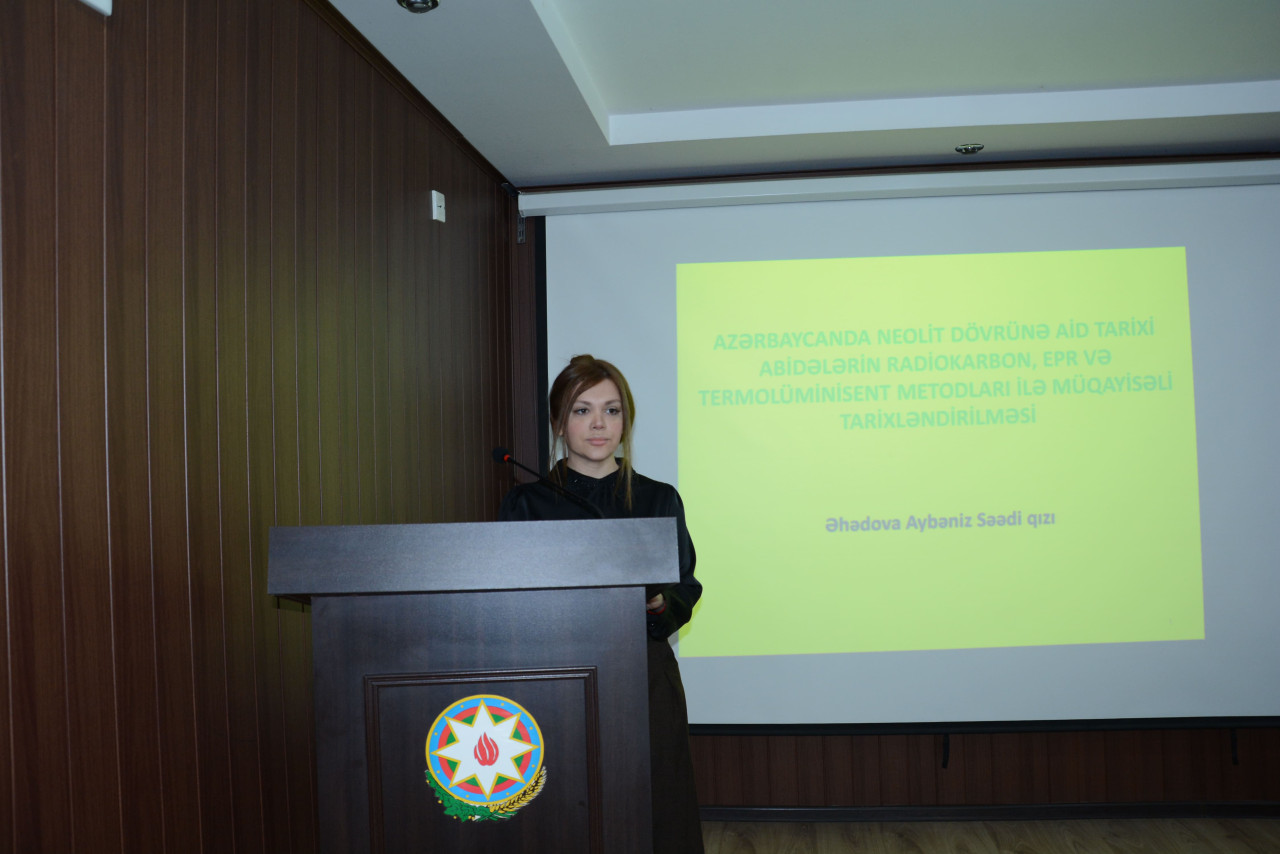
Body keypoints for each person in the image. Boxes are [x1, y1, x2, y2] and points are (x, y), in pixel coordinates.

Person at [499, 354, 704, 853]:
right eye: (582, 410)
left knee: (657, 810)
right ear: (558, 423)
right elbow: (506, 600)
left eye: (612, 411)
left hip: (643, 675)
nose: (599, 424)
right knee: (565, 809)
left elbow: (686, 586)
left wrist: (661, 604)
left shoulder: (658, 498)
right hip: (555, 679)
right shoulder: (527, 504)